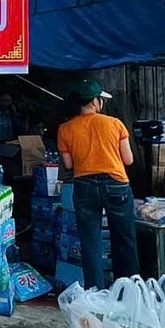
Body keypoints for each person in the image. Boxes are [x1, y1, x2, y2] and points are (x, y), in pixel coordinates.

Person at [57, 79, 139, 289]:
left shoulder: (65, 129)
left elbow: (68, 164)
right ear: (95, 101)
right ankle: (128, 290)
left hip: (84, 187)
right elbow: (128, 160)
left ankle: (95, 293)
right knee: (124, 240)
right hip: (116, 185)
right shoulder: (114, 124)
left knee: (90, 243)